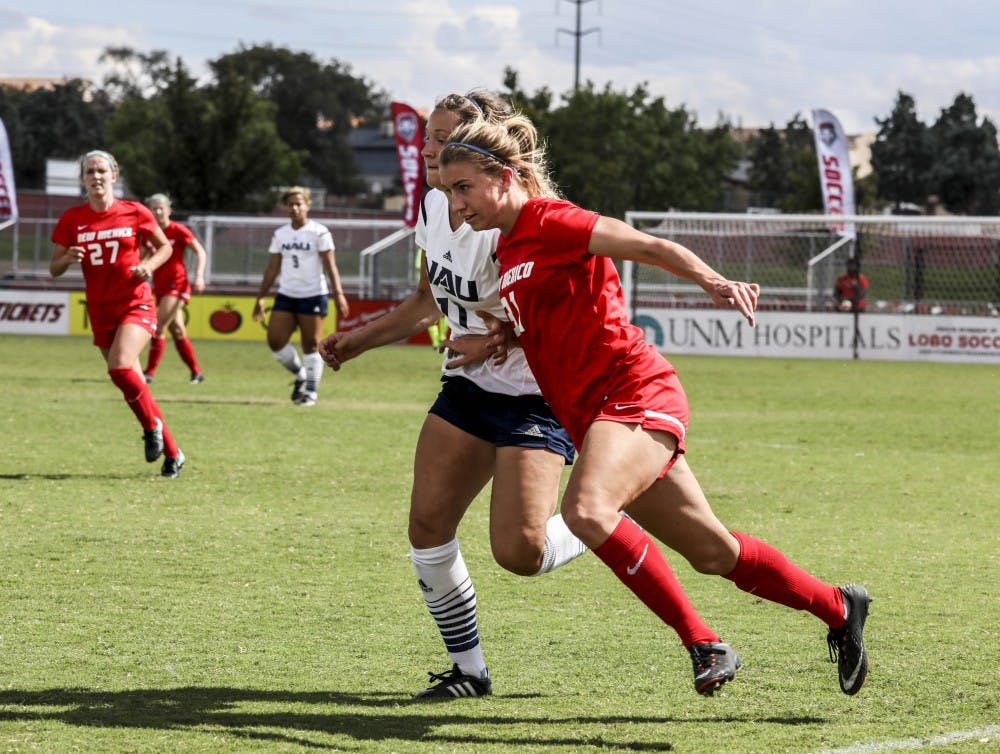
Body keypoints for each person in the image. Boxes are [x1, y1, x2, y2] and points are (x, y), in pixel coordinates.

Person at [437, 116, 871, 697]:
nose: (457, 205)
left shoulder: (552, 219)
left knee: (588, 511)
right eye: (448, 192)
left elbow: (647, 245)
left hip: (634, 391)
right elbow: (545, 320)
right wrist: (499, 338)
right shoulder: (508, 246)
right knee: (716, 553)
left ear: (505, 175)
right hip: (596, 417)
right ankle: (840, 609)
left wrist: (713, 281)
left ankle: (703, 642)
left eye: (463, 188)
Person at [318, 92, 587, 699]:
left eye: (442, 136)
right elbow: (427, 300)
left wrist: (500, 336)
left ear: (481, 149)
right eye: (427, 137)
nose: (429, 147)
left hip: (535, 394)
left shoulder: (519, 215)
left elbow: (564, 306)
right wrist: (362, 340)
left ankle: (604, 518)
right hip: (467, 386)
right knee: (427, 526)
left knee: (521, 552)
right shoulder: (436, 206)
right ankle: (469, 671)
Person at [50, 150, 186, 478]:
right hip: (100, 309)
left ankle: (151, 429)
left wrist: (148, 266)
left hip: (135, 302)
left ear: (114, 175)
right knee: (132, 382)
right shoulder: (72, 218)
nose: (96, 177)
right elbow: (54, 268)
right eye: (90, 172)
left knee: (120, 366)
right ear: (83, 178)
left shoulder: (134, 211)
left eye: (101, 171)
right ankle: (172, 452)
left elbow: (165, 247)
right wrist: (67, 257)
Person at [252, 187, 349, 406]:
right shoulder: (280, 234)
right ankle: (301, 374)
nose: (295, 208)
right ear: (285, 208)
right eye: (291, 204)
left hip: (313, 295)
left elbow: (330, 265)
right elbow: (271, 268)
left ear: (308, 205)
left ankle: (311, 392)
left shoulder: (319, 232)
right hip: (287, 294)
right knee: (275, 340)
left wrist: (339, 294)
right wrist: (260, 296)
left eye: (299, 203)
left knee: (311, 344)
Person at [142, 193, 207, 384]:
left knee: (159, 327)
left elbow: (200, 252)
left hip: (177, 284)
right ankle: (196, 372)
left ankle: (149, 373)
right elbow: (143, 257)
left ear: (169, 210)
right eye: (154, 208)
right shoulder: (150, 234)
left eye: (162, 207)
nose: (159, 211)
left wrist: (199, 276)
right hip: (160, 286)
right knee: (177, 330)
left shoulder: (178, 230)